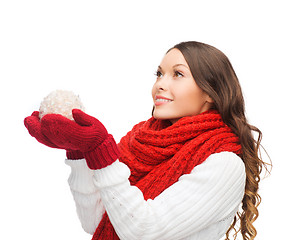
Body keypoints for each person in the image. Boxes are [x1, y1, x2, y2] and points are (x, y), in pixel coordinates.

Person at [24, 41, 267, 240]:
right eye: (159, 74)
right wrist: (80, 152)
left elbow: (143, 230)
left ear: (210, 93)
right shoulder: (140, 142)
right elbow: (96, 222)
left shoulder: (224, 164)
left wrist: (101, 153)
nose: (160, 84)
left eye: (178, 74)